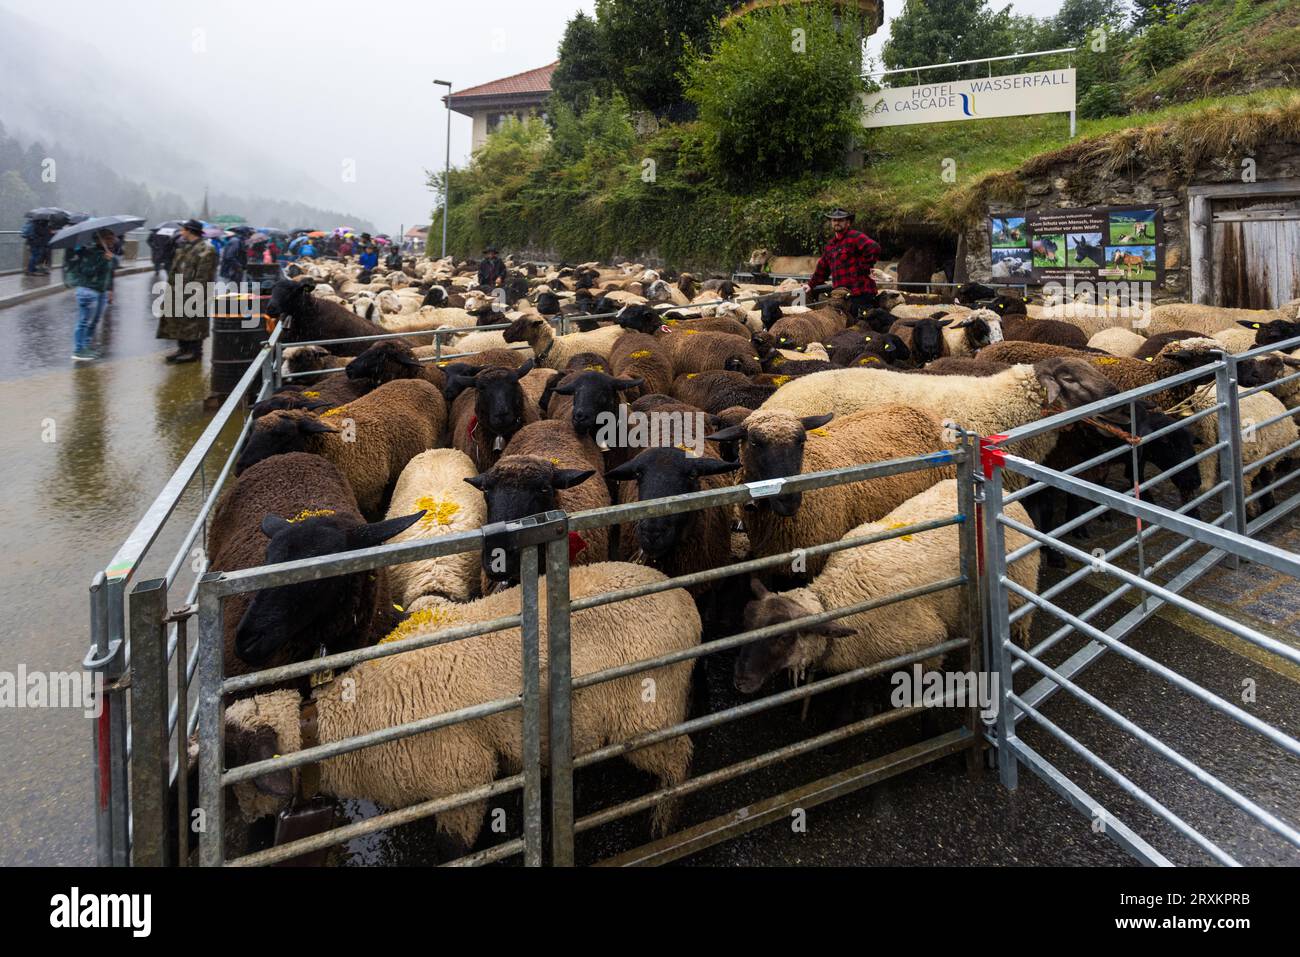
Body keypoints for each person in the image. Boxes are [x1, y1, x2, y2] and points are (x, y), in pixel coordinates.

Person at [156, 218, 217, 364]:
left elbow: (204, 275)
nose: (181, 231)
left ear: (190, 231)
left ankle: (194, 352)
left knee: (194, 323)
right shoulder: (184, 247)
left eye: (183, 229)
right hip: (178, 289)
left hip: (194, 293)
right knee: (178, 321)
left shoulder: (206, 249)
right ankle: (182, 349)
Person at [803, 209, 882, 320]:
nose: (837, 223)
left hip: (860, 293)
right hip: (841, 296)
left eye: (840, 220)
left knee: (863, 327)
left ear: (848, 222)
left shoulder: (854, 237)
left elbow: (874, 248)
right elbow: (822, 268)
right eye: (834, 220)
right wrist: (810, 285)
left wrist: (863, 267)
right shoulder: (830, 246)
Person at [66, 227, 118, 361]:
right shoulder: (90, 253)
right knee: (84, 321)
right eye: (109, 238)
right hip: (88, 290)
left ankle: (86, 346)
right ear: (100, 240)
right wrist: (104, 260)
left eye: (113, 238)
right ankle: (78, 349)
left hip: (101, 291)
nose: (113, 240)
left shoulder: (106, 253)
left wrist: (109, 259)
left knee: (94, 321)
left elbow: (112, 268)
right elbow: (87, 271)